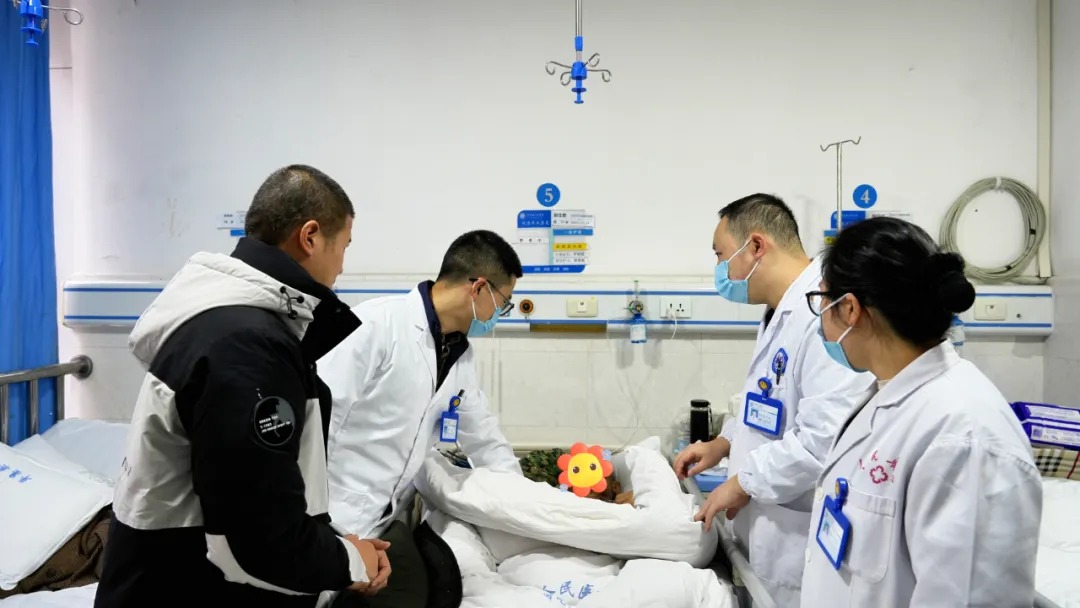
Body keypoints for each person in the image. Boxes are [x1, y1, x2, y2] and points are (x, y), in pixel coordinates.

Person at [95, 165, 390, 608]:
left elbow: (254, 495)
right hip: (185, 589)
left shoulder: (229, 323)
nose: (343, 266)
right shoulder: (247, 345)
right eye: (344, 246)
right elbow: (256, 540)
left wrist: (329, 541)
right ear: (310, 237)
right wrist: (351, 562)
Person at [799, 216, 1042, 607]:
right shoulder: (887, 394)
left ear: (850, 309)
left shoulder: (964, 438)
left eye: (822, 301)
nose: (820, 319)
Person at [673, 194, 872, 607]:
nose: (720, 270)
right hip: (768, 529)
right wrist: (724, 443)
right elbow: (765, 404)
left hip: (798, 539)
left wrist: (743, 482)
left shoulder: (824, 315)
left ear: (756, 246)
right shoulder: (779, 311)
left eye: (721, 255)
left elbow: (824, 440)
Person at [318, 230, 524, 607]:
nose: (499, 314)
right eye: (503, 302)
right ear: (479, 288)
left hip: (384, 520)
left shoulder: (459, 354)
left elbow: (484, 437)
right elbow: (318, 419)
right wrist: (309, 519)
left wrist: (522, 501)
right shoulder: (377, 325)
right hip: (332, 513)